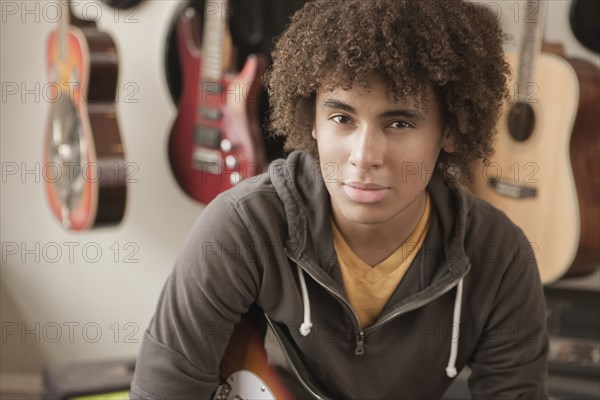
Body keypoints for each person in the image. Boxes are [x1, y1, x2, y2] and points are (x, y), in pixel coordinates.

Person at [130, 0, 549, 399]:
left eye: (399, 122)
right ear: (312, 119)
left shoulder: (499, 256)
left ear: (451, 131)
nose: (364, 156)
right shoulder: (242, 228)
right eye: (342, 118)